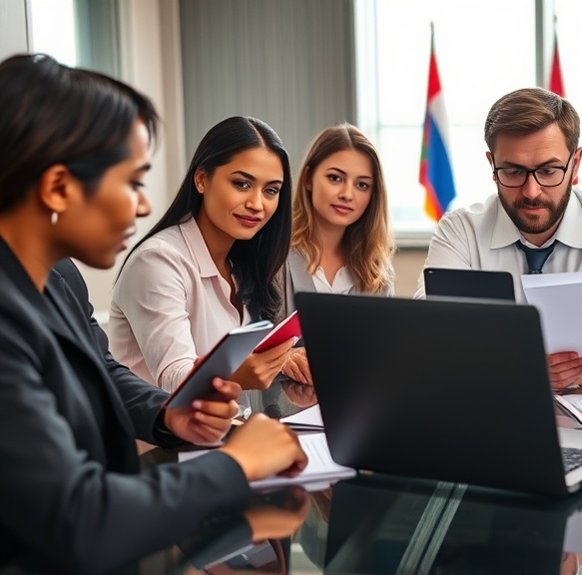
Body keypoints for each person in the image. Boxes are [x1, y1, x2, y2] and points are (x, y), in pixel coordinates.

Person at [0, 54, 306, 573]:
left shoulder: (60, 277)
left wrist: (169, 415)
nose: (143, 207)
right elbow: (81, 519)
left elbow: (107, 370)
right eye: (133, 182)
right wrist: (236, 465)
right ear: (57, 188)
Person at [414, 87, 582, 389]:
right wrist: (523, 365)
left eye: (549, 170)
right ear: (492, 166)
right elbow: (430, 333)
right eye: (513, 171)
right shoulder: (460, 230)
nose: (531, 191)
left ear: (576, 165)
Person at [109, 116, 296, 393]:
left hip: (221, 430)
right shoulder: (157, 261)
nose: (257, 204)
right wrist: (239, 374)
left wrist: (282, 360)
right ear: (201, 179)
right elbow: (177, 377)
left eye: (271, 190)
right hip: (153, 433)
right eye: (242, 184)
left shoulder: (241, 263)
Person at [281, 123, 395, 385]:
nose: (347, 194)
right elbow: (250, 343)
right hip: (282, 409)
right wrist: (283, 358)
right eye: (335, 178)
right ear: (309, 179)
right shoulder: (275, 258)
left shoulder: (379, 271)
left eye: (362, 185)